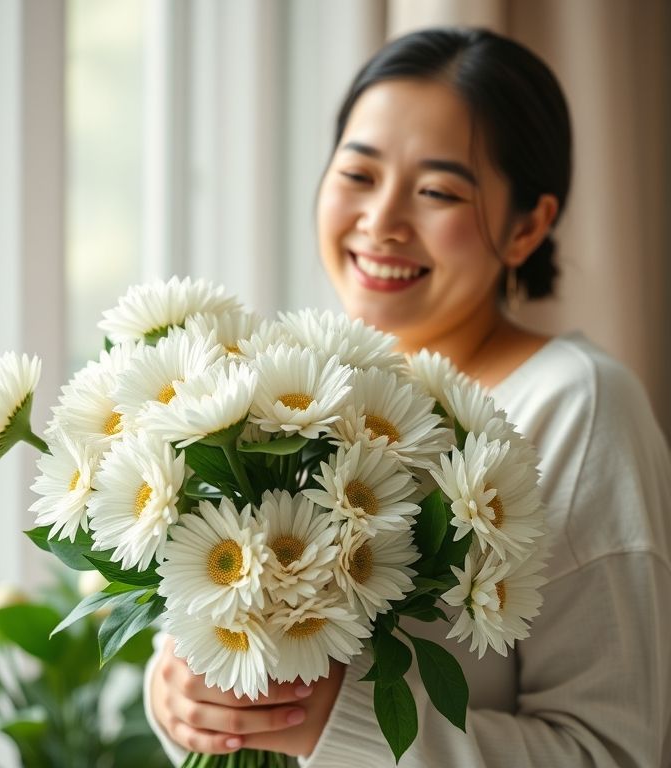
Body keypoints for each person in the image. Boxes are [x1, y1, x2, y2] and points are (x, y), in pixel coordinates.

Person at [143, 27, 671, 767]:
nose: (381, 223)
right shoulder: (286, 388)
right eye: (358, 175)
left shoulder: (577, 407)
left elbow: (613, 751)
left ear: (528, 226)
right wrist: (182, 700)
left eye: (437, 192)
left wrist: (341, 724)